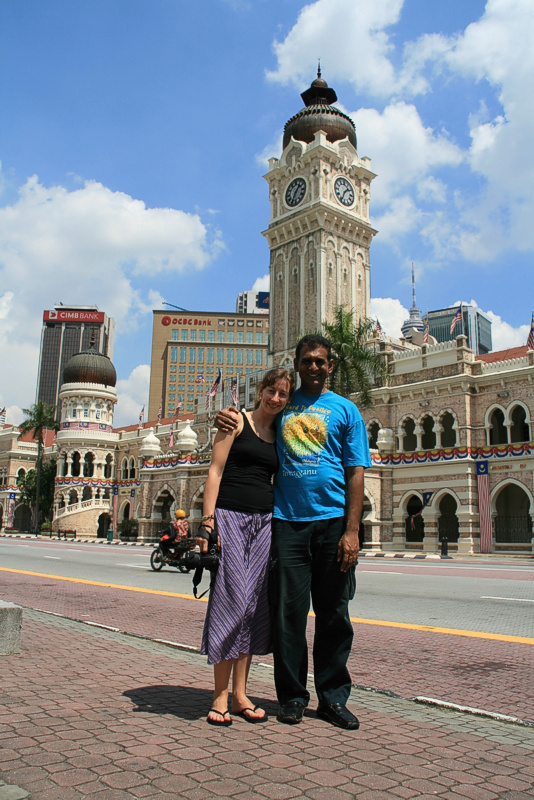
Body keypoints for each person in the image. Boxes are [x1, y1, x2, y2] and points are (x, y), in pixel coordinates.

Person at [216, 334, 372, 730]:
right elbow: (254, 423)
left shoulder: (346, 410)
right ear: (298, 364)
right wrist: (226, 416)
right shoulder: (283, 406)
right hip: (287, 523)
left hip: (333, 522)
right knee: (289, 613)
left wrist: (352, 531)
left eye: (321, 361)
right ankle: (292, 697)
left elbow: (356, 473)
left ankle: (333, 699)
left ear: (330, 366)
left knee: (334, 612)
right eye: (307, 361)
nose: (314, 367)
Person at [198, 368, 294, 727]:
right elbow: (215, 472)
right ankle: (219, 695)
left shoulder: (281, 431)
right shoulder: (235, 421)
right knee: (230, 601)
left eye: (283, 394)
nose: (276, 398)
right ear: (260, 391)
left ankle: (240, 694)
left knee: (254, 607)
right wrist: (208, 524)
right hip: (231, 517)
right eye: (272, 390)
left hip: (264, 522)